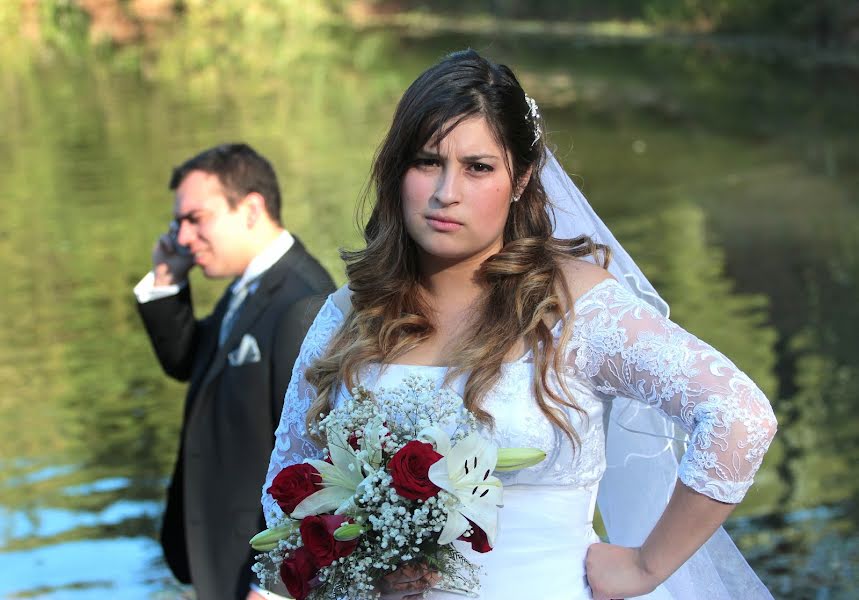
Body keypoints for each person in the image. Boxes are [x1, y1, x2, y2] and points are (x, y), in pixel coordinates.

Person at [260, 50, 778, 600]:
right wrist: (351, 566)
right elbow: (287, 497)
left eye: (478, 167)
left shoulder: (577, 307)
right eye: (427, 161)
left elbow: (738, 416)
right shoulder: (349, 313)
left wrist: (646, 567)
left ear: (521, 178)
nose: (445, 193)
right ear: (397, 170)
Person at [135, 143, 335, 600]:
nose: (182, 237)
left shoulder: (303, 303)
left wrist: (277, 584)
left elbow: (313, 460)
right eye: (178, 223)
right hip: (222, 561)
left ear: (249, 209)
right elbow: (189, 362)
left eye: (195, 219)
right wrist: (167, 278)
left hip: (258, 574)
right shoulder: (246, 288)